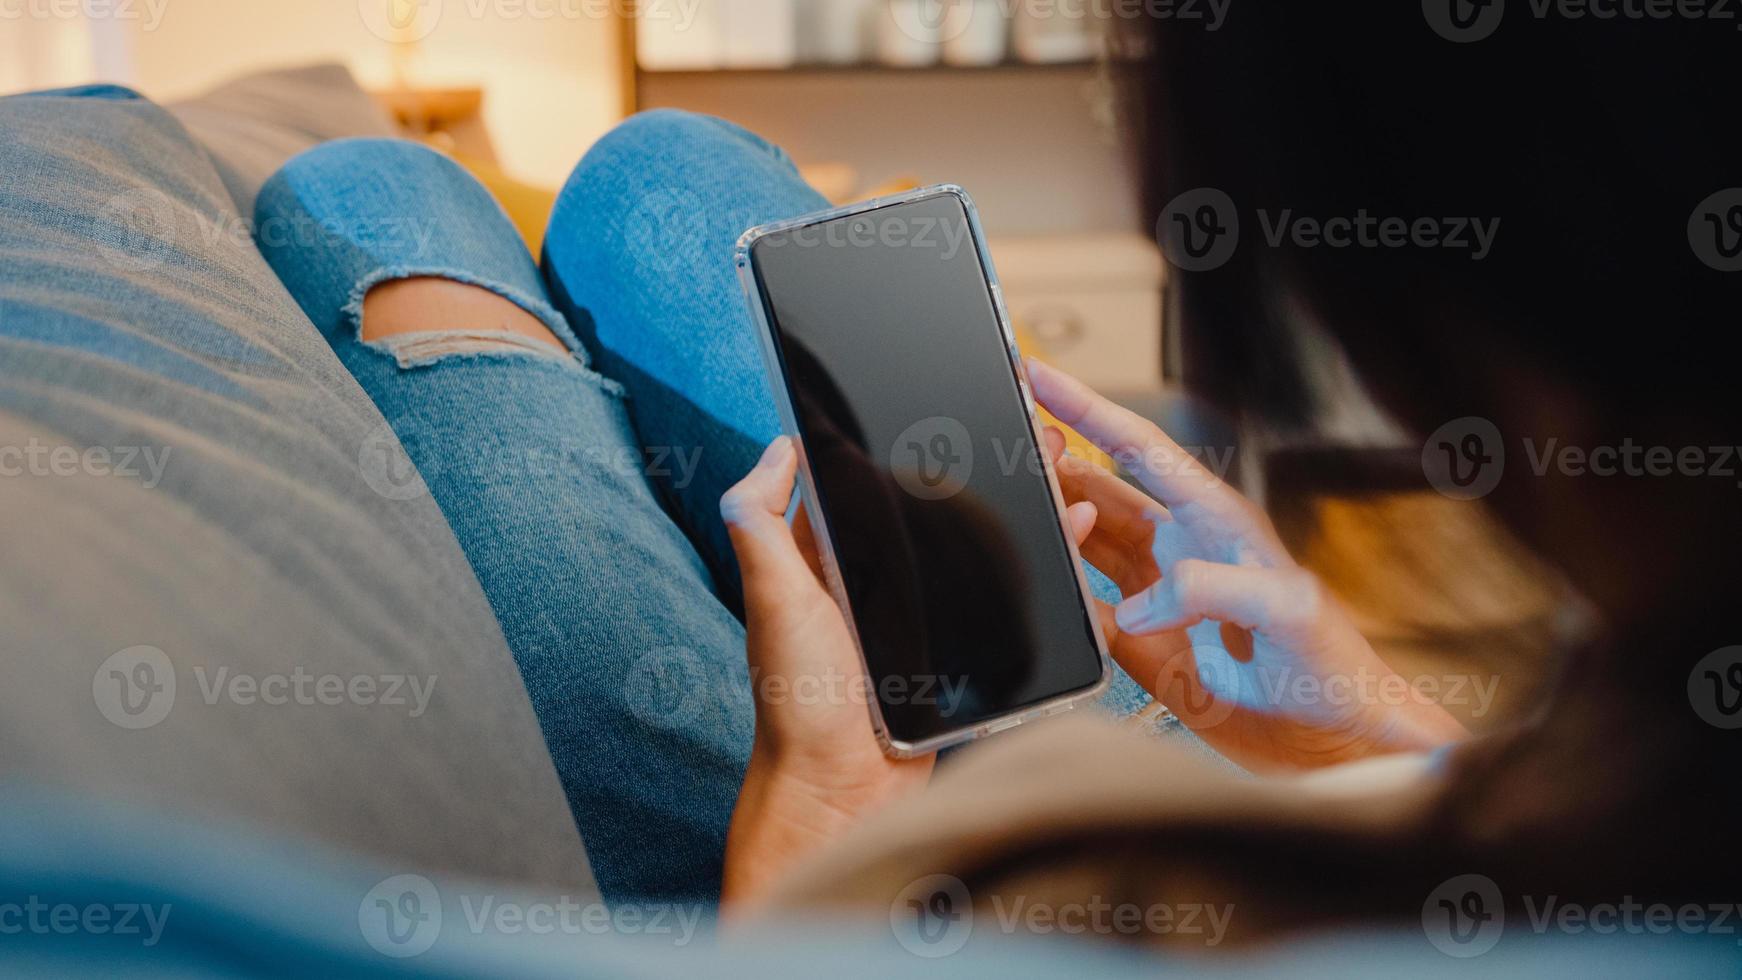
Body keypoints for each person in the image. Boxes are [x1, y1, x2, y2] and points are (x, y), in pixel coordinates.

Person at [252, 4, 1738, 945]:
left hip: (925, 889)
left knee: (370, 195)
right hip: (1256, 796)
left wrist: (802, 861)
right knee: (668, 176)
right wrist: (1372, 734)